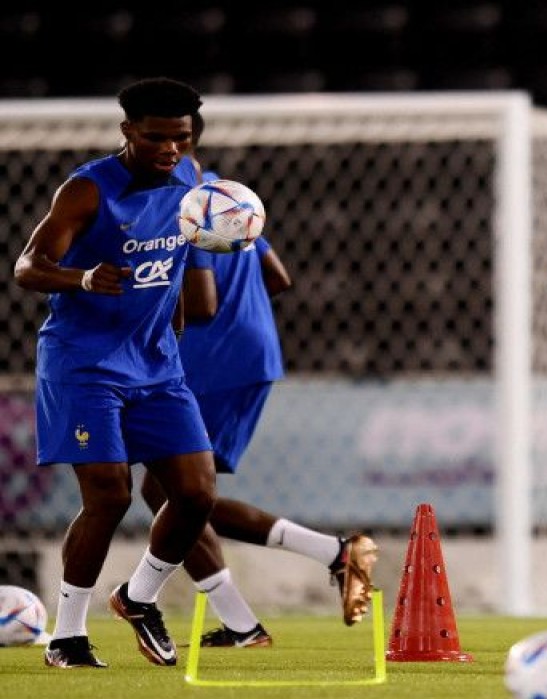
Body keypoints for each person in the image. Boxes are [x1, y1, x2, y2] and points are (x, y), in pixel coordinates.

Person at [137, 139, 377, 648]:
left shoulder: (178, 205)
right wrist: (241, 310)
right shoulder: (226, 196)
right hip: (250, 351)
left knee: (175, 494)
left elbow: (202, 305)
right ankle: (246, 622)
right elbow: (278, 277)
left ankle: (332, 555)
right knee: (175, 494)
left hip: (212, 362)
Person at [13, 77, 216, 669]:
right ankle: (67, 637)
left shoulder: (191, 181)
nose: (170, 149)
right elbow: (27, 266)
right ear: (128, 131)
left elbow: (179, 271)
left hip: (156, 366)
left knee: (196, 494)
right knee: (110, 494)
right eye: (156, 138)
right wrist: (79, 278)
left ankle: (138, 596)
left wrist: (174, 328)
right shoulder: (87, 190)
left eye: (181, 137)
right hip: (84, 365)